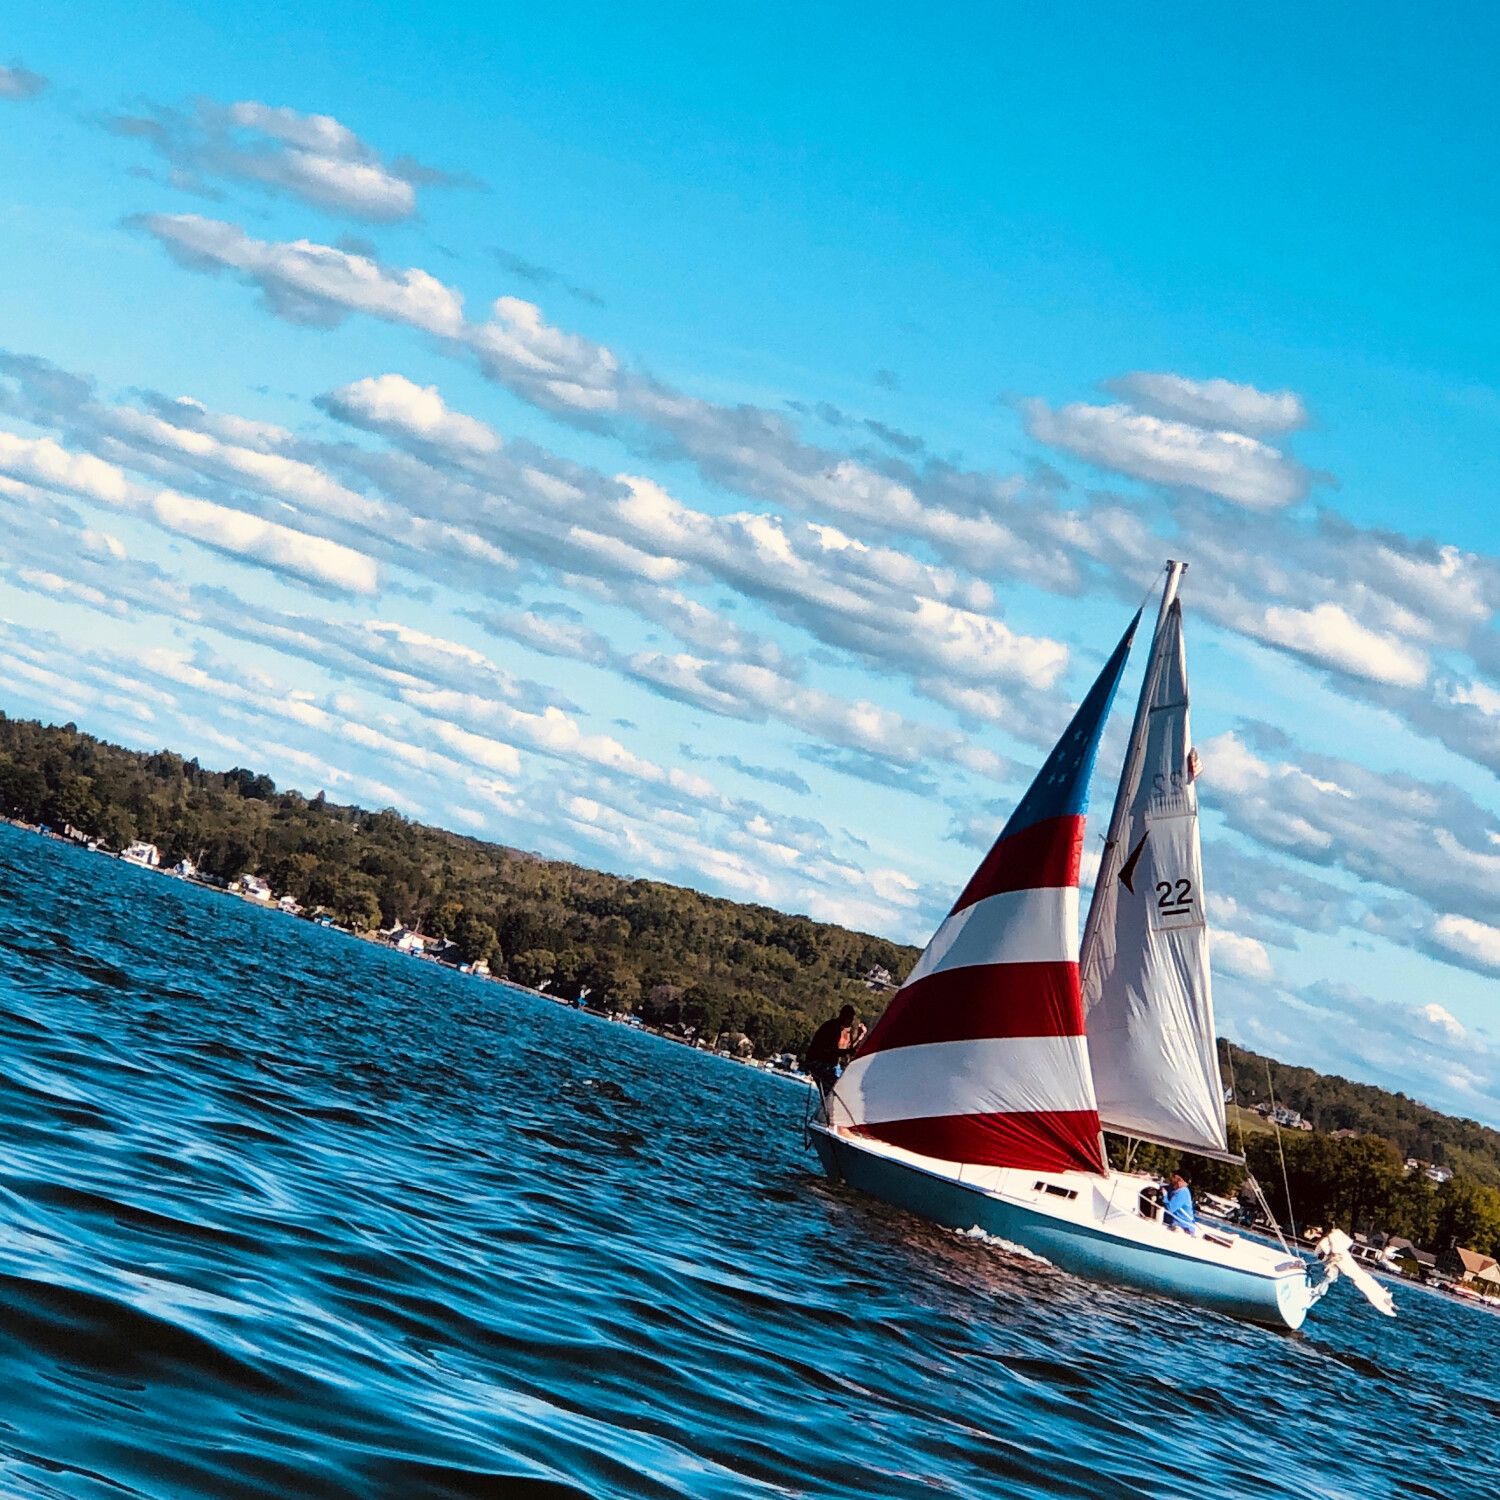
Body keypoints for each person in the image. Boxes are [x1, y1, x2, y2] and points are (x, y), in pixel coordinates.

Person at [803, 1004, 864, 1099]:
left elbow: (849, 1050)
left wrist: (859, 1037)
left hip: (832, 1065)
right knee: (833, 1089)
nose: (850, 1021)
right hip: (819, 1062)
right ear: (842, 1015)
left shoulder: (846, 1032)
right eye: (849, 1018)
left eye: (852, 1019)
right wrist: (847, 1051)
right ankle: (829, 1103)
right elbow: (830, 1050)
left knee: (843, 1085)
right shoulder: (832, 1027)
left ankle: (830, 1104)